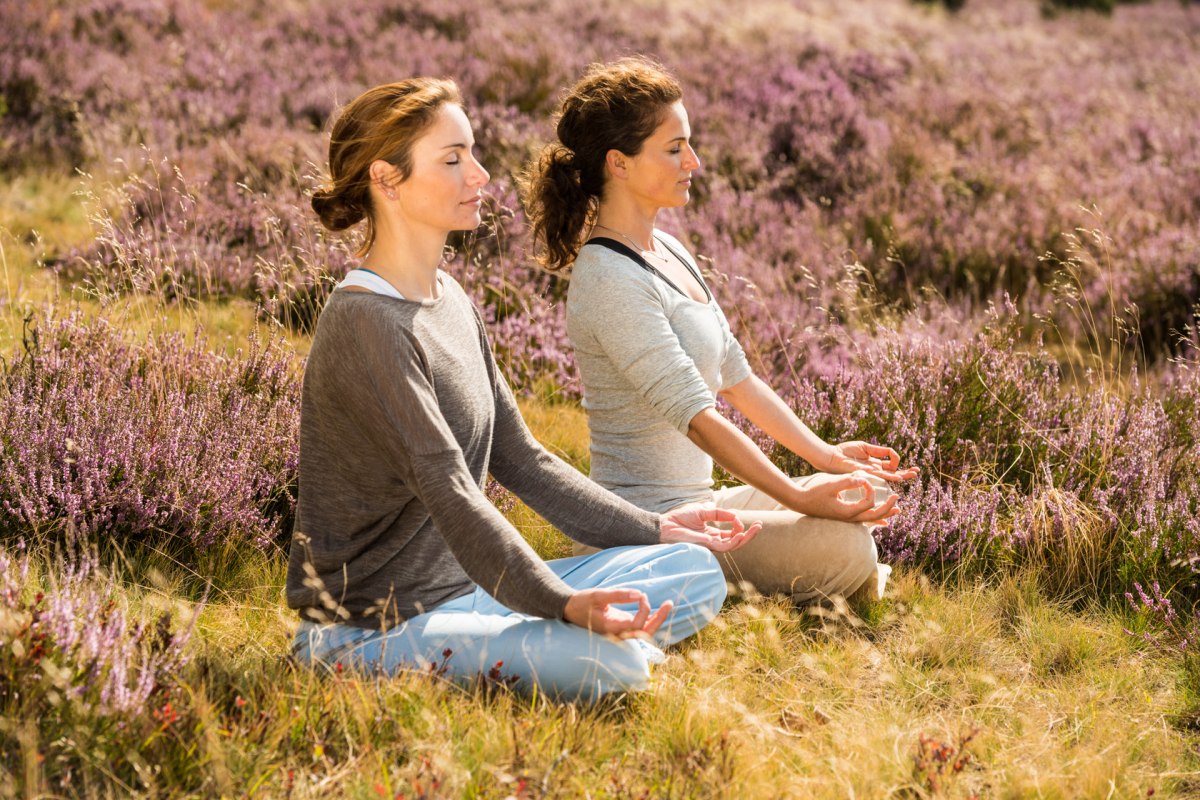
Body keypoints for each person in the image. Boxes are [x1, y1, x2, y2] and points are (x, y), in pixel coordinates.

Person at [286, 78, 761, 703]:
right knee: (612, 667)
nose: (480, 175)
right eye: (453, 160)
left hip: (473, 596)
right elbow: (452, 491)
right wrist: (561, 603)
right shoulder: (366, 322)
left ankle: (588, 642)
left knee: (695, 569)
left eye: (473, 153)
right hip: (371, 630)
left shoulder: (449, 299)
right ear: (387, 178)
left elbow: (523, 458)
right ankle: (607, 650)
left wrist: (661, 529)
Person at [523, 58, 918, 604]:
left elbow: (736, 376)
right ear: (619, 163)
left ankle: (799, 572)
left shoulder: (670, 251)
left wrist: (827, 457)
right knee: (844, 546)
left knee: (859, 491)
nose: (695, 160)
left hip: (703, 505)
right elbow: (699, 418)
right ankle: (722, 583)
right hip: (646, 527)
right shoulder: (608, 277)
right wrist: (802, 502)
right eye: (673, 147)